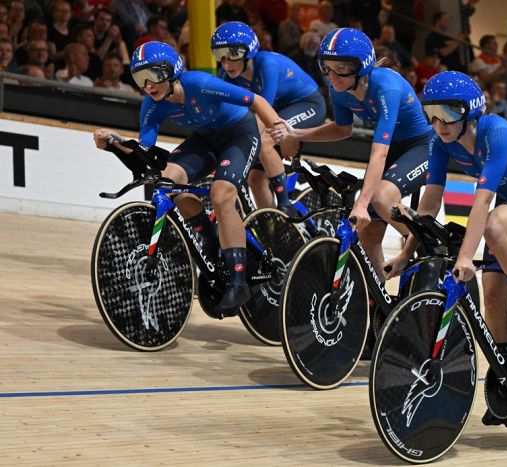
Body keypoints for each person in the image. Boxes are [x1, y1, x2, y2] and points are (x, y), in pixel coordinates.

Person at [385, 71, 507, 425]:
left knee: (494, 225)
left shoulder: (495, 131)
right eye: (432, 113)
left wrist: (464, 257)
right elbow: (429, 202)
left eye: (447, 113)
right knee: (492, 298)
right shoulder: (440, 141)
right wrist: (406, 253)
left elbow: (482, 202)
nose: (439, 123)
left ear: (470, 112)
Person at [93, 41, 283, 314]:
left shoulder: (201, 83)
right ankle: (210, 238)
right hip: (205, 139)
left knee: (220, 195)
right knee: (167, 182)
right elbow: (144, 151)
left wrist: (277, 128)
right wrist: (113, 142)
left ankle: (239, 281)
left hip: (239, 134)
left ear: (172, 71)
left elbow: (256, 100)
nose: (148, 85)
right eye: (139, 78)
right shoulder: (152, 105)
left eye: (153, 75)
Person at [271, 28, 432, 277]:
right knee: (368, 235)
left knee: (380, 198)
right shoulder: (340, 90)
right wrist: (296, 133)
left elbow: (378, 154)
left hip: (420, 146)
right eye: (327, 67)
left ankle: (425, 243)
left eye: (341, 68)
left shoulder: (385, 89)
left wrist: (361, 202)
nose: (333, 76)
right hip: (391, 150)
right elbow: (342, 129)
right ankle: (382, 303)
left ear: (362, 66)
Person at [211, 22, 327, 212]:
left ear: (248, 52)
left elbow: (263, 113)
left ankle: (285, 206)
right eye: (219, 56)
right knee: (255, 179)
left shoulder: (267, 64)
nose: (226, 63)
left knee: (264, 140)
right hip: (278, 109)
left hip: (307, 104)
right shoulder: (227, 75)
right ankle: (272, 226)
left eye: (232, 55)